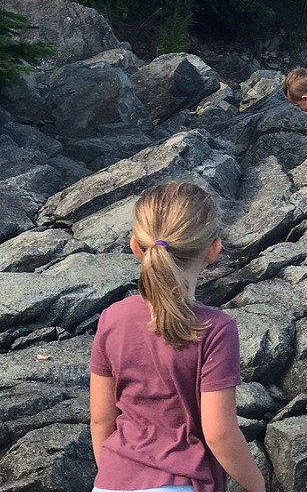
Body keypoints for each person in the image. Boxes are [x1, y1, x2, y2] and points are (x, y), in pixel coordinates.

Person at [89, 181, 265, 492]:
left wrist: (118, 475)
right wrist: (257, 486)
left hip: (110, 483)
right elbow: (220, 433)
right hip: (182, 482)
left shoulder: (111, 318)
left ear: (135, 246)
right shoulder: (216, 329)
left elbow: (102, 421)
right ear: (214, 248)